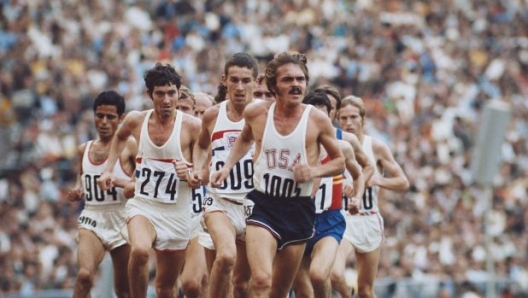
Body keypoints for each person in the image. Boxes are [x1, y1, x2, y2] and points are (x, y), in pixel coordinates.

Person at [210, 51, 345, 298]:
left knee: (279, 291)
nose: (296, 84)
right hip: (263, 204)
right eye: (288, 80)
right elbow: (244, 139)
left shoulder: (316, 120)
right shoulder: (256, 114)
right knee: (261, 280)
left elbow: (339, 162)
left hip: (299, 208)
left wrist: (314, 170)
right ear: (274, 86)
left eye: (301, 79)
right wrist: (227, 166)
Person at [97, 63, 201, 298]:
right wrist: (108, 169)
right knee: (141, 250)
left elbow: (204, 170)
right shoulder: (136, 121)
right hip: (144, 205)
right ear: (149, 94)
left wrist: (192, 174)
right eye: (160, 93)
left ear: (178, 92)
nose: (166, 100)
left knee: (165, 287)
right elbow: (119, 137)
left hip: (177, 213)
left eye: (171, 93)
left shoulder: (193, 127)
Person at [190, 52, 259, 298]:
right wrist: (198, 169)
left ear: (256, 83)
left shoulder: (265, 117)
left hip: (255, 205)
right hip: (219, 201)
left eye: (246, 80)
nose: (239, 87)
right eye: (234, 80)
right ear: (224, 81)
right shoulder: (212, 115)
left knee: (245, 284)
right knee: (226, 257)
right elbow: (200, 145)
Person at [331, 95, 410, 298]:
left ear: (363, 119)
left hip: (369, 218)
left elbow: (403, 182)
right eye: (343, 118)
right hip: (343, 217)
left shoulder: (375, 146)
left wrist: (376, 180)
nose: (348, 123)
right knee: (335, 273)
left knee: (366, 289)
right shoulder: (333, 144)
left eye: (353, 117)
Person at [292, 92, 365, 298]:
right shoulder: (294, 149)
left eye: (323, 117)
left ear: (330, 119)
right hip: (297, 222)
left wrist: (356, 196)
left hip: (329, 220)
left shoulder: (342, 147)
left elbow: (359, 175)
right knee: (303, 290)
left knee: (318, 275)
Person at [67, 90, 136, 298]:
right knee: (84, 276)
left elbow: (145, 183)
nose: (104, 122)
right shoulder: (84, 149)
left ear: (121, 119)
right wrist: (78, 189)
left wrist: (118, 181)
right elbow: (82, 176)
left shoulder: (130, 146)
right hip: (93, 216)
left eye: (110, 117)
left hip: (122, 218)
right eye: (99, 115)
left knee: (124, 291)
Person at [175, 86, 209, 298]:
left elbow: (214, 172)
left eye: (188, 109)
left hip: (201, 218)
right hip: (170, 218)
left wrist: (192, 172)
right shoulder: (160, 139)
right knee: (169, 283)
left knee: (192, 282)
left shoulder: (207, 142)